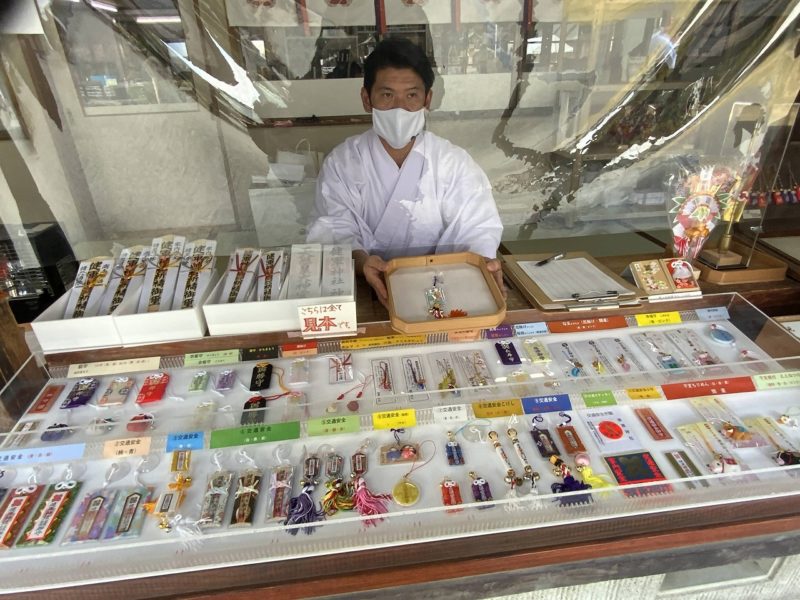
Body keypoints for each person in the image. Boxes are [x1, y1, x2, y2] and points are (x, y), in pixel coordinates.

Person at [306, 37, 504, 306]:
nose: (399, 108)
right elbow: (332, 228)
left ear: (427, 99)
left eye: (411, 95)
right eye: (387, 95)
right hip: (366, 288)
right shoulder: (343, 162)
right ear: (366, 99)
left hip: (444, 287)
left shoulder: (452, 162)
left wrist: (482, 262)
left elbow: (477, 227)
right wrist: (362, 262)